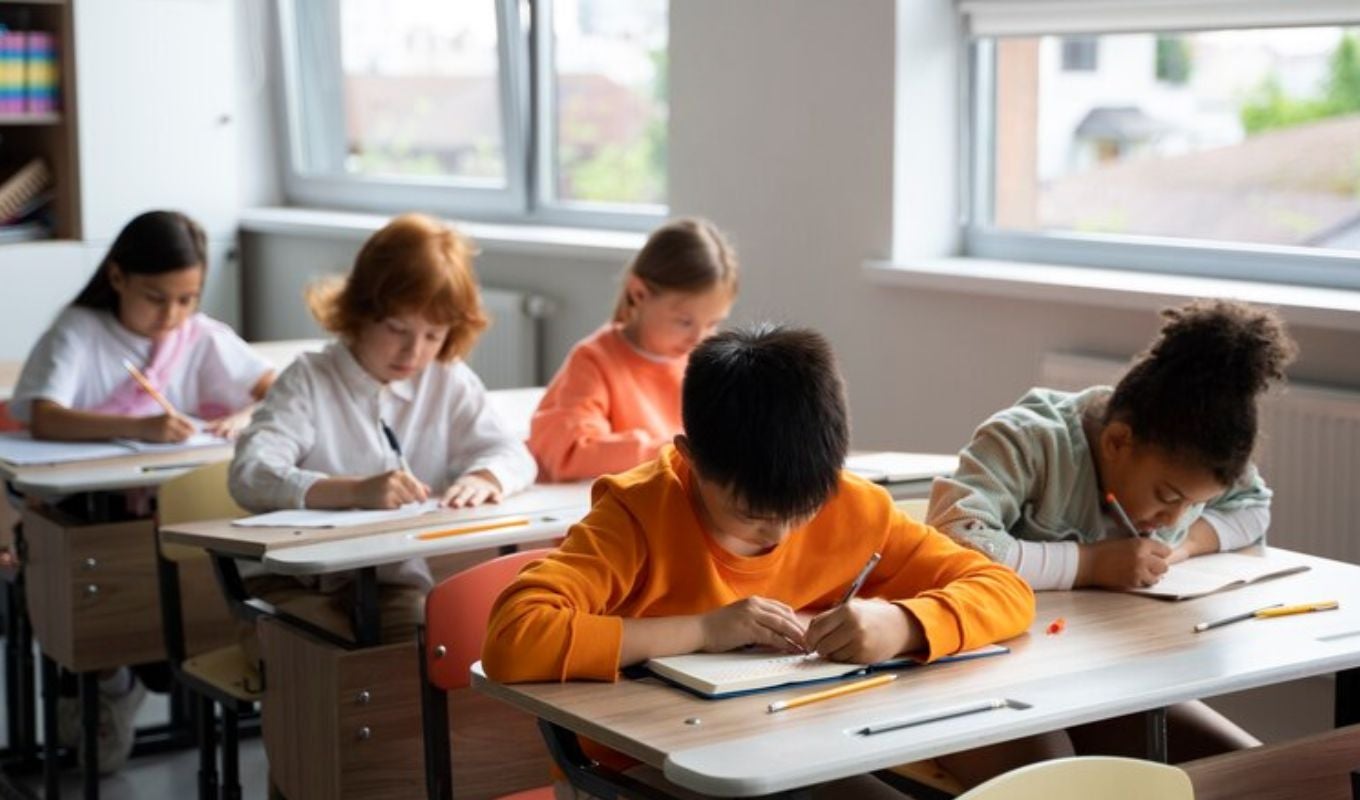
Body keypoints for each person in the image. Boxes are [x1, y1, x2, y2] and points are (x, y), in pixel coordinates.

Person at [486, 324, 1035, 798]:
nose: (782, 531)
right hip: (641, 760)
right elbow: (514, 637)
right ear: (690, 457)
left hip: (800, 733)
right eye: (751, 515)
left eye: (804, 509)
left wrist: (904, 624)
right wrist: (703, 629)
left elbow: (1003, 590)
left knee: (1036, 752)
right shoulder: (637, 516)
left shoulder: (854, 505)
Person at [929, 298, 1297, 765]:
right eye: (1167, 497)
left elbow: (1252, 505)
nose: (1172, 516)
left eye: (1193, 504)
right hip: (992, 678)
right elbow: (955, 538)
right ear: (1118, 441)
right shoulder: (1030, 440)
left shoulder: (1191, 462)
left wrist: (1180, 547)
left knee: (1254, 767)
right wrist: (1090, 564)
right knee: (1056, 772)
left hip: (1107, 678)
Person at [230, 212, 536, 647]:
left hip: (391, 578)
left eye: (434, 335)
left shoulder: (446, 378)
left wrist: (484, 476)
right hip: (294, 581)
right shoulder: (309, 379)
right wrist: (352, 491)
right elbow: (251, 473)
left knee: (428, 644)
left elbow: (513, 453)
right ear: (360, 311)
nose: (415, 351)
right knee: (326, 653)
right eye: (398, 330)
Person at [528, 218, 737, 481]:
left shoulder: (708, 360)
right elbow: (569, 455)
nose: (699, 337)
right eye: (685, 322)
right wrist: (682, 452)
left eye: (713, 323)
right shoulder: (594, 361)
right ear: (638, 293)